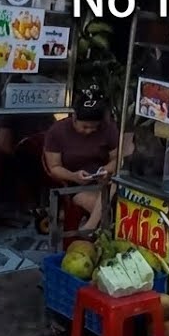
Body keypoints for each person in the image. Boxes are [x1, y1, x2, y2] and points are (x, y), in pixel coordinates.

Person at [44, 91, 120, 232]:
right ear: (74, 118)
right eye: (85, 127)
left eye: (94, 127)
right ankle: (94, 229)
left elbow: (117, 159)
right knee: (109, 210)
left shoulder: (108, 128)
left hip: (104, 182)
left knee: (114, 185)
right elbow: (54, 167)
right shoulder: (57, 131)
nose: (89, 131)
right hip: (75, 186)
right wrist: (74, 176)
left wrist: (105, 169)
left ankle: (90, 227)